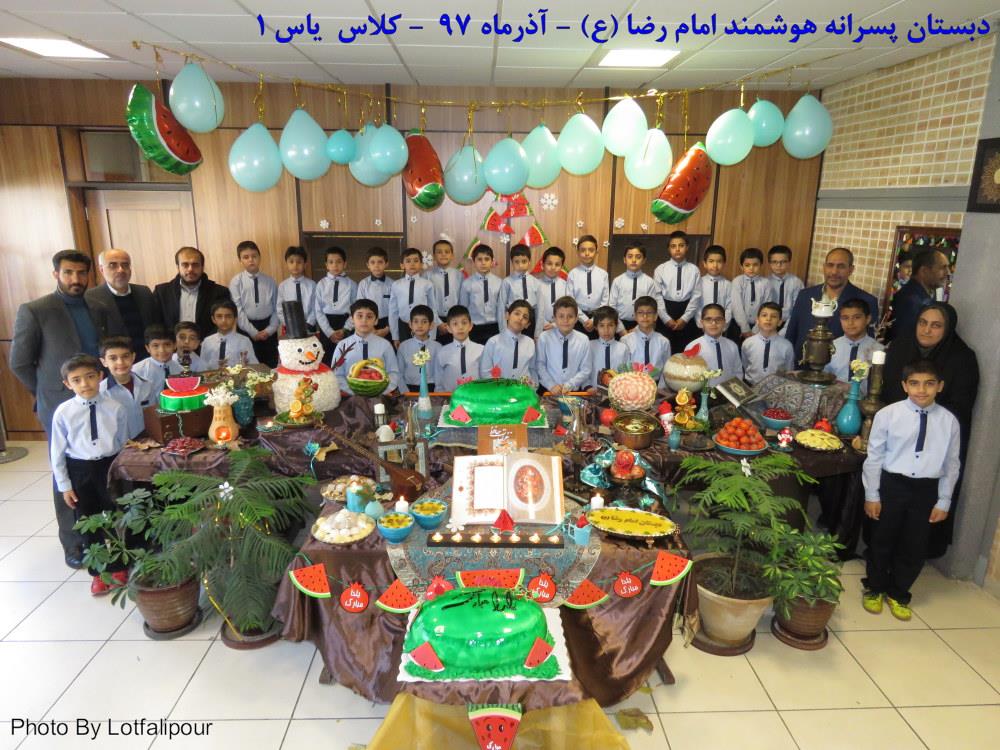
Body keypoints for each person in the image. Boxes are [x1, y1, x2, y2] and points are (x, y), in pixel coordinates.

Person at [9, 250, 121, 569]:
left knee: (99, 468)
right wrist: (47, 393)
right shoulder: (35, 310)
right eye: (69, 272)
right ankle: (74, 544)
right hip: (60, 403)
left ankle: (107, 536)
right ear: (56, 274)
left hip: (99, 398)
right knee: (67, 472)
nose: (76, 279)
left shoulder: (98, 306)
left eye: (81, 273)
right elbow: (19, 362)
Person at [861, 359, 961, 621]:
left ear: (940, 386)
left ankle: (899, 592)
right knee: (882, 539)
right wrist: (872, 494)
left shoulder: (949, 422)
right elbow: (874, 456)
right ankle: (875, 587)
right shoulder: (888, 415)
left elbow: (952, 464)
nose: (922, 390)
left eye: (929, 384)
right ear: (905, 386)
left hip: (926, 490)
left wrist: (944, 500)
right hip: (892, 484)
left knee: (914, 544)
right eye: (915, 383)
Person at [881, 302, 979, 558]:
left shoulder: (962, 359)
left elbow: (960, 407)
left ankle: (916, 555)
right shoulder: (901, 347)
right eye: (922, 323)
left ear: (947, 329)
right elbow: (887, 391)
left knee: (919, 520)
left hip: (934, 446)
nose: (926, 330)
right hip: (897, 438)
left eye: (936, 325)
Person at [49, 354, 129, 595]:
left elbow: (123, 443)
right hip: (79, 470)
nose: (85, 384)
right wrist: (65, 485)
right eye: (76, 380)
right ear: (67, 384)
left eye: (90, 377)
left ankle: (119, 567)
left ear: (100, 376)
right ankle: (98, 572)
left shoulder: (116, 408)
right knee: (87, 521)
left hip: (109, 467)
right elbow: (57, 453)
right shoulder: (63, 413)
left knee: (116, 517)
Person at [785, 248, 879, 365]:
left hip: (840, 370)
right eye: (830, 265)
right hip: (801, 367)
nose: (834, 272)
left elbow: (868, 345)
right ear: (824, 267)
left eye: (841, 266)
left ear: (851, 270)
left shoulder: (866, 300)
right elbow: (791, 334)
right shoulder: (805, 295)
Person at [86, 248, 162, 361]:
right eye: (113, 265)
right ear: (101, 269)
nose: (120, 270)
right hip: (118, 364)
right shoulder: (91, 298)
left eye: (125, 265)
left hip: (148, 360)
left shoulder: (144, 292)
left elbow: (155, 328)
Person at [153, 246, 231, 340]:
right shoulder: (161, 292)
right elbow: (156, 325)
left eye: (195, 265)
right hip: (172, 346)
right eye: (185, 265)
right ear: (178, 267)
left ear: (202, 267)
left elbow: (223, 323)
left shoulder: (219, 292)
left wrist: (205, 343)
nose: (190, 269)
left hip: (207, 345)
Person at [332, 299, 400, 394]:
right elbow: (337, 374)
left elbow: (394, 373)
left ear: (376, 320)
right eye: (359, 316)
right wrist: (354, 391)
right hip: (350, 396)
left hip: (379, 396)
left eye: (369, 316)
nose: (364, 320)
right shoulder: (342, 345)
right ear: (352, 319)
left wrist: (379, 391)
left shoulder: (385, 345)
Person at [229, 240, 279, 367]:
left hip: (268, 328)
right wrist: (253, 332)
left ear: (259, 257)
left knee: (270, 365)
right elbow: (238, 310)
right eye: (246, 257)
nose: (251, 260)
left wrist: (269, 330)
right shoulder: (236, 282)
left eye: (254, 256)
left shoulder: (270, 281)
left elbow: (277, 308)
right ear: (240, 260)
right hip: (246, 328)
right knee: (248, 367)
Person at [887, 248, 949, 343]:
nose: (947, 273)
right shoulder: (911, 300)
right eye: (942, 268)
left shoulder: (924, 296)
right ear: (924, 271)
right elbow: (904, 340)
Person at [654, 230, 702, 353]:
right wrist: (666, 318)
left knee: (686, 351)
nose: (677, 249)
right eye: (673, 246)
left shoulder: (694, 270)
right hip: (666, 311)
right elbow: (657, 296)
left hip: (686, 313)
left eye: (681, 245)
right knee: (664, 350)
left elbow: (696, 296)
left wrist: (685, 318)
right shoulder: (660, 269)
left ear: (687, 247)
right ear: (668, 249)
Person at [99, 336, 154, 439]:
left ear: (133, 357)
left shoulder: (147, 385)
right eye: (113, 358)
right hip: (119, 445)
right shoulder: (100, 393)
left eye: (125, 356)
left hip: (147, 441)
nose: (120, 362)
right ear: (104, 362)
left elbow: (153, 416)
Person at [536, 296, 592, 395]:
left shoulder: (584, 340)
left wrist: (569, 385)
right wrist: (551, 385)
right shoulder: (544, 338)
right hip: (548, 390)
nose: (566, 320)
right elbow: (540, 365)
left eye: (570, 316)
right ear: (554, 318)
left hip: (573, 392)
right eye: (561, 316)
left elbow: (586, 369)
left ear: (576, 318)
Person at [825, 299, 884, 392]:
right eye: (845, 318)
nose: (850, 323)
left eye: (857, 317)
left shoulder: (878, 350)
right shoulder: (831, 347)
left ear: (868, 319)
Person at [315, 247, 356, 365]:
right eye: (331, 262)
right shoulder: (321, 284)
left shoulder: (352, 284)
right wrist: (329, 332)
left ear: (345, 264)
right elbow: (318, 310)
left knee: (346, 359)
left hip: (345, 323)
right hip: (326, 325)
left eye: (339, 261)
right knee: (327, 360)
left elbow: (355, 310)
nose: (335, 265)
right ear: (326, 265)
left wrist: (345, 329)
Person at [479, 300, 537, 384]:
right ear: (507, 315)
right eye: (517, 313)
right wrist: (498, 388)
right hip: (499, 389)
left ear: (527, 325)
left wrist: (532, 386)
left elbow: (533, 369)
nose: (520, 318)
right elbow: (485, 372)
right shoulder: (493, 342)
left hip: (523, 389)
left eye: (525, 317)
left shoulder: (530, 343)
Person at [609, 243, 662, 332]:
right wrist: (621, 330)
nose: (633, 260)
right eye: (630, 256)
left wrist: (637, 329)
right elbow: (612, 307)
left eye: (638, 257)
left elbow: (652, 307)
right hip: (619, 324)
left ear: (644, 260)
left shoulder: (649, 282)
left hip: (643, 324)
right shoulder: (617, 281)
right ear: (624, 260)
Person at [391, 247, 438, 345]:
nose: (412, 264)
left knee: (423, 352)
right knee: (405, 351)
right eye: (408, 261)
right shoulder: (396, 284)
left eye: (416, 261)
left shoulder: (427, 284)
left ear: (421, 264)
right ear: (402, 265)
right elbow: (393, 311)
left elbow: (432, 309)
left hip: (422, 325)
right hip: (403, 326)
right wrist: (395, 336)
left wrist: (432, 335)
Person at [689, 304, 743, 387]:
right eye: (708, 319)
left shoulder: (732, 346)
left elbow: (738, 372)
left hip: (729, 391)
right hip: (703, 392)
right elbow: (688, 376)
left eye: (718, 319)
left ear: (724, 322)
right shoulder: (692, 347)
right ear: (702, 323)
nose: (714, 323)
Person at [567, 235, 609, 339]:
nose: (587, 253)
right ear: (577, 252)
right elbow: (570, 300)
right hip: (578, 319)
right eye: (583, 250)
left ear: (596, 252)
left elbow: (605, 300)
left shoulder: (603, 274)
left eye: (591, 250)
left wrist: (594, 320)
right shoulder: (572, 274)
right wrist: (584, 320)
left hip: (599, 319)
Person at [434, 305, 483, 393]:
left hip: (476, 397)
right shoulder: (442, 352)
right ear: (449, 328)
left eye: (464, 323)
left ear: (470, 326)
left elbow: (486, 378)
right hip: (450, 398)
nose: (460, 327)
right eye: (455, 324)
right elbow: (438, 384)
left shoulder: (481, 350)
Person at [460, 244, 503, 345]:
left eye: (487, 259)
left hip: (495, 327)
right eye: (479, 259)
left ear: (492, 261)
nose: (483, 263)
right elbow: (463, 309)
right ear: (474, 261)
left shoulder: (500, 282)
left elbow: (502, 308)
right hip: (474, 329)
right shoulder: (467, 284)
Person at [741, 302, 794, 384]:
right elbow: (745, 365)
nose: (768, 319)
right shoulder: (747, 343)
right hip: (751, 386)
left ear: (780, 322)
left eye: (774, 316)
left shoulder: (787, 346)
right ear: (757, 320)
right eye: (764, 315)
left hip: (776, 387)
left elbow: (789, 370)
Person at [425, 239, 464, 346]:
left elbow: (461, 300)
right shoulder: (427, 276)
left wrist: (455, 321)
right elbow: (427, 302)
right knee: (432, 350)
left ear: (452, 255)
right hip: (434, 320)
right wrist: (438, 323)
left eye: (447, 252)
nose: (443, 254)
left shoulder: (459, 275)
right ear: (434, 256)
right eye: (439, 252)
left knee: (453, 351)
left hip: (455, 320)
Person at [498, 244, 541, 339]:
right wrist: (503, 331)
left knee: (528, 345)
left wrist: (537, 333)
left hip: (530, 321)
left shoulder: (536, 283)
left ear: (529, 262)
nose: (520, 265)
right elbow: (501, 308)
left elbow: (540, 309)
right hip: (513, 321)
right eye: (516, 262)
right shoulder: (507, 282)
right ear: (512, 262)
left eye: (524, 261)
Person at [621, 296, 671, 376]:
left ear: (655, 316)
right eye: (640, 313)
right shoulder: (625, 341)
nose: (645, 316)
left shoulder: (664, 342)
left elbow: (666, 370)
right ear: (635, 316)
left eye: (649, 312)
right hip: (632, 381)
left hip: (656, 382)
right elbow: (623, 368)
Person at [731, 248, 774, 340]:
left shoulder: (766, 283)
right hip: (738, 325)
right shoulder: (737, 281)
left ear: (761, 265)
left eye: (755, 265)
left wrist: (756, 329)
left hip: (759, 326)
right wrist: (744, 328)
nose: (751, 268)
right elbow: (737, 306)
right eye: (747, 265)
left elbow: (766, 307)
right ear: (741, 266)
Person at [396, 305, 441, 391]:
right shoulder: (403, 347)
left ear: (431, 325)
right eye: (416, 321)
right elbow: (399, 373)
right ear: (410, 324)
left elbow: (440, 373)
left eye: (424, 322)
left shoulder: (438, 347)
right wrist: (405, 391)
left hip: (431, 387)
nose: (420, 325)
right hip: (409, 388)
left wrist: (437, 391)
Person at [201, 300, 258, 366]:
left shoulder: (244, 341)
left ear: (235, 319)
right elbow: (202, 366)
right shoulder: (207, 342)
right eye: (219, 316)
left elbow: (254, 365)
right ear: (213, 319)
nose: (224, 320)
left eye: (228, 316)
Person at [276, 246, 317, 334]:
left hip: (309, 326)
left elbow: (315, 307)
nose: (295, 265)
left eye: (299, 262)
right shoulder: (283, 286)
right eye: (291, 262)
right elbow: (279, 309)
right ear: (287, 264)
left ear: (305, 264)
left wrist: (309, 323)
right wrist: (289, 324)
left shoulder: (312, 285)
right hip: (289, 327)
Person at [696, 245, 734, 337]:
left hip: (722, 329)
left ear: (724, 264)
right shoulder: (699, 283)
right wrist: (702, 324)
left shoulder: (728, 285)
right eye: (711, 261)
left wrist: (723, 325)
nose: (715, 265)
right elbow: (696, 305)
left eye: (719, 261)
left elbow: (730, 307)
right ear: (704, 263)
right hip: (701, 328)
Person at [355, 247, 393, 339]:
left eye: (380, 262)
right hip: (367, 322)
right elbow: (359, 307)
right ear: (368, 265)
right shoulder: (363, 284)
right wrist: (370, 327)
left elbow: (395, 310)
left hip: (388, 324)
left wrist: (387, 329)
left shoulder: (393, 284)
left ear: (386, 264)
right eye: (372, 262)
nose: (376, 265)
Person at [588, 306, 629, 388]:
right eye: (602, 325)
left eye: (610, 325)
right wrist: (588, 387)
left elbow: (626, 373)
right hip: (593, 391)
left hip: (617, 391)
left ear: (616, 326)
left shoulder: (623, 348)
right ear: (596, 327)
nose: (606, 330)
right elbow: (584, 371)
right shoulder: (589, 346)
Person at [767, 245, 803, 335]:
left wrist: (786, 328)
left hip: (789, 322)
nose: (779, 265)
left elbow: (797, 308)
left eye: (783, 262)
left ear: (789, 262)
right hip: (769, 321)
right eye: (774, 262)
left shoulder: (796, 282)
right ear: (769, 263)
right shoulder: (766, 282)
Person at [131, 325, 178, 395]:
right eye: (156, 346)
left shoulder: (180, 370)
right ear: (147, 348)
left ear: (175, 345)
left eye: (167, 344)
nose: (162, 350)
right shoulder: (137, 371)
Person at [534, 247, 570, 336]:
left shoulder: (566, 286)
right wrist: (543, 323)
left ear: (562, 266)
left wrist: (555, 324)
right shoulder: (536, 285)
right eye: (549, 263)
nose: (553, 267)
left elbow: (569, 308)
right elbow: (534, 308)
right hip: (540, 328)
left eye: (557, 264)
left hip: (561, 328)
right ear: (543, 264)